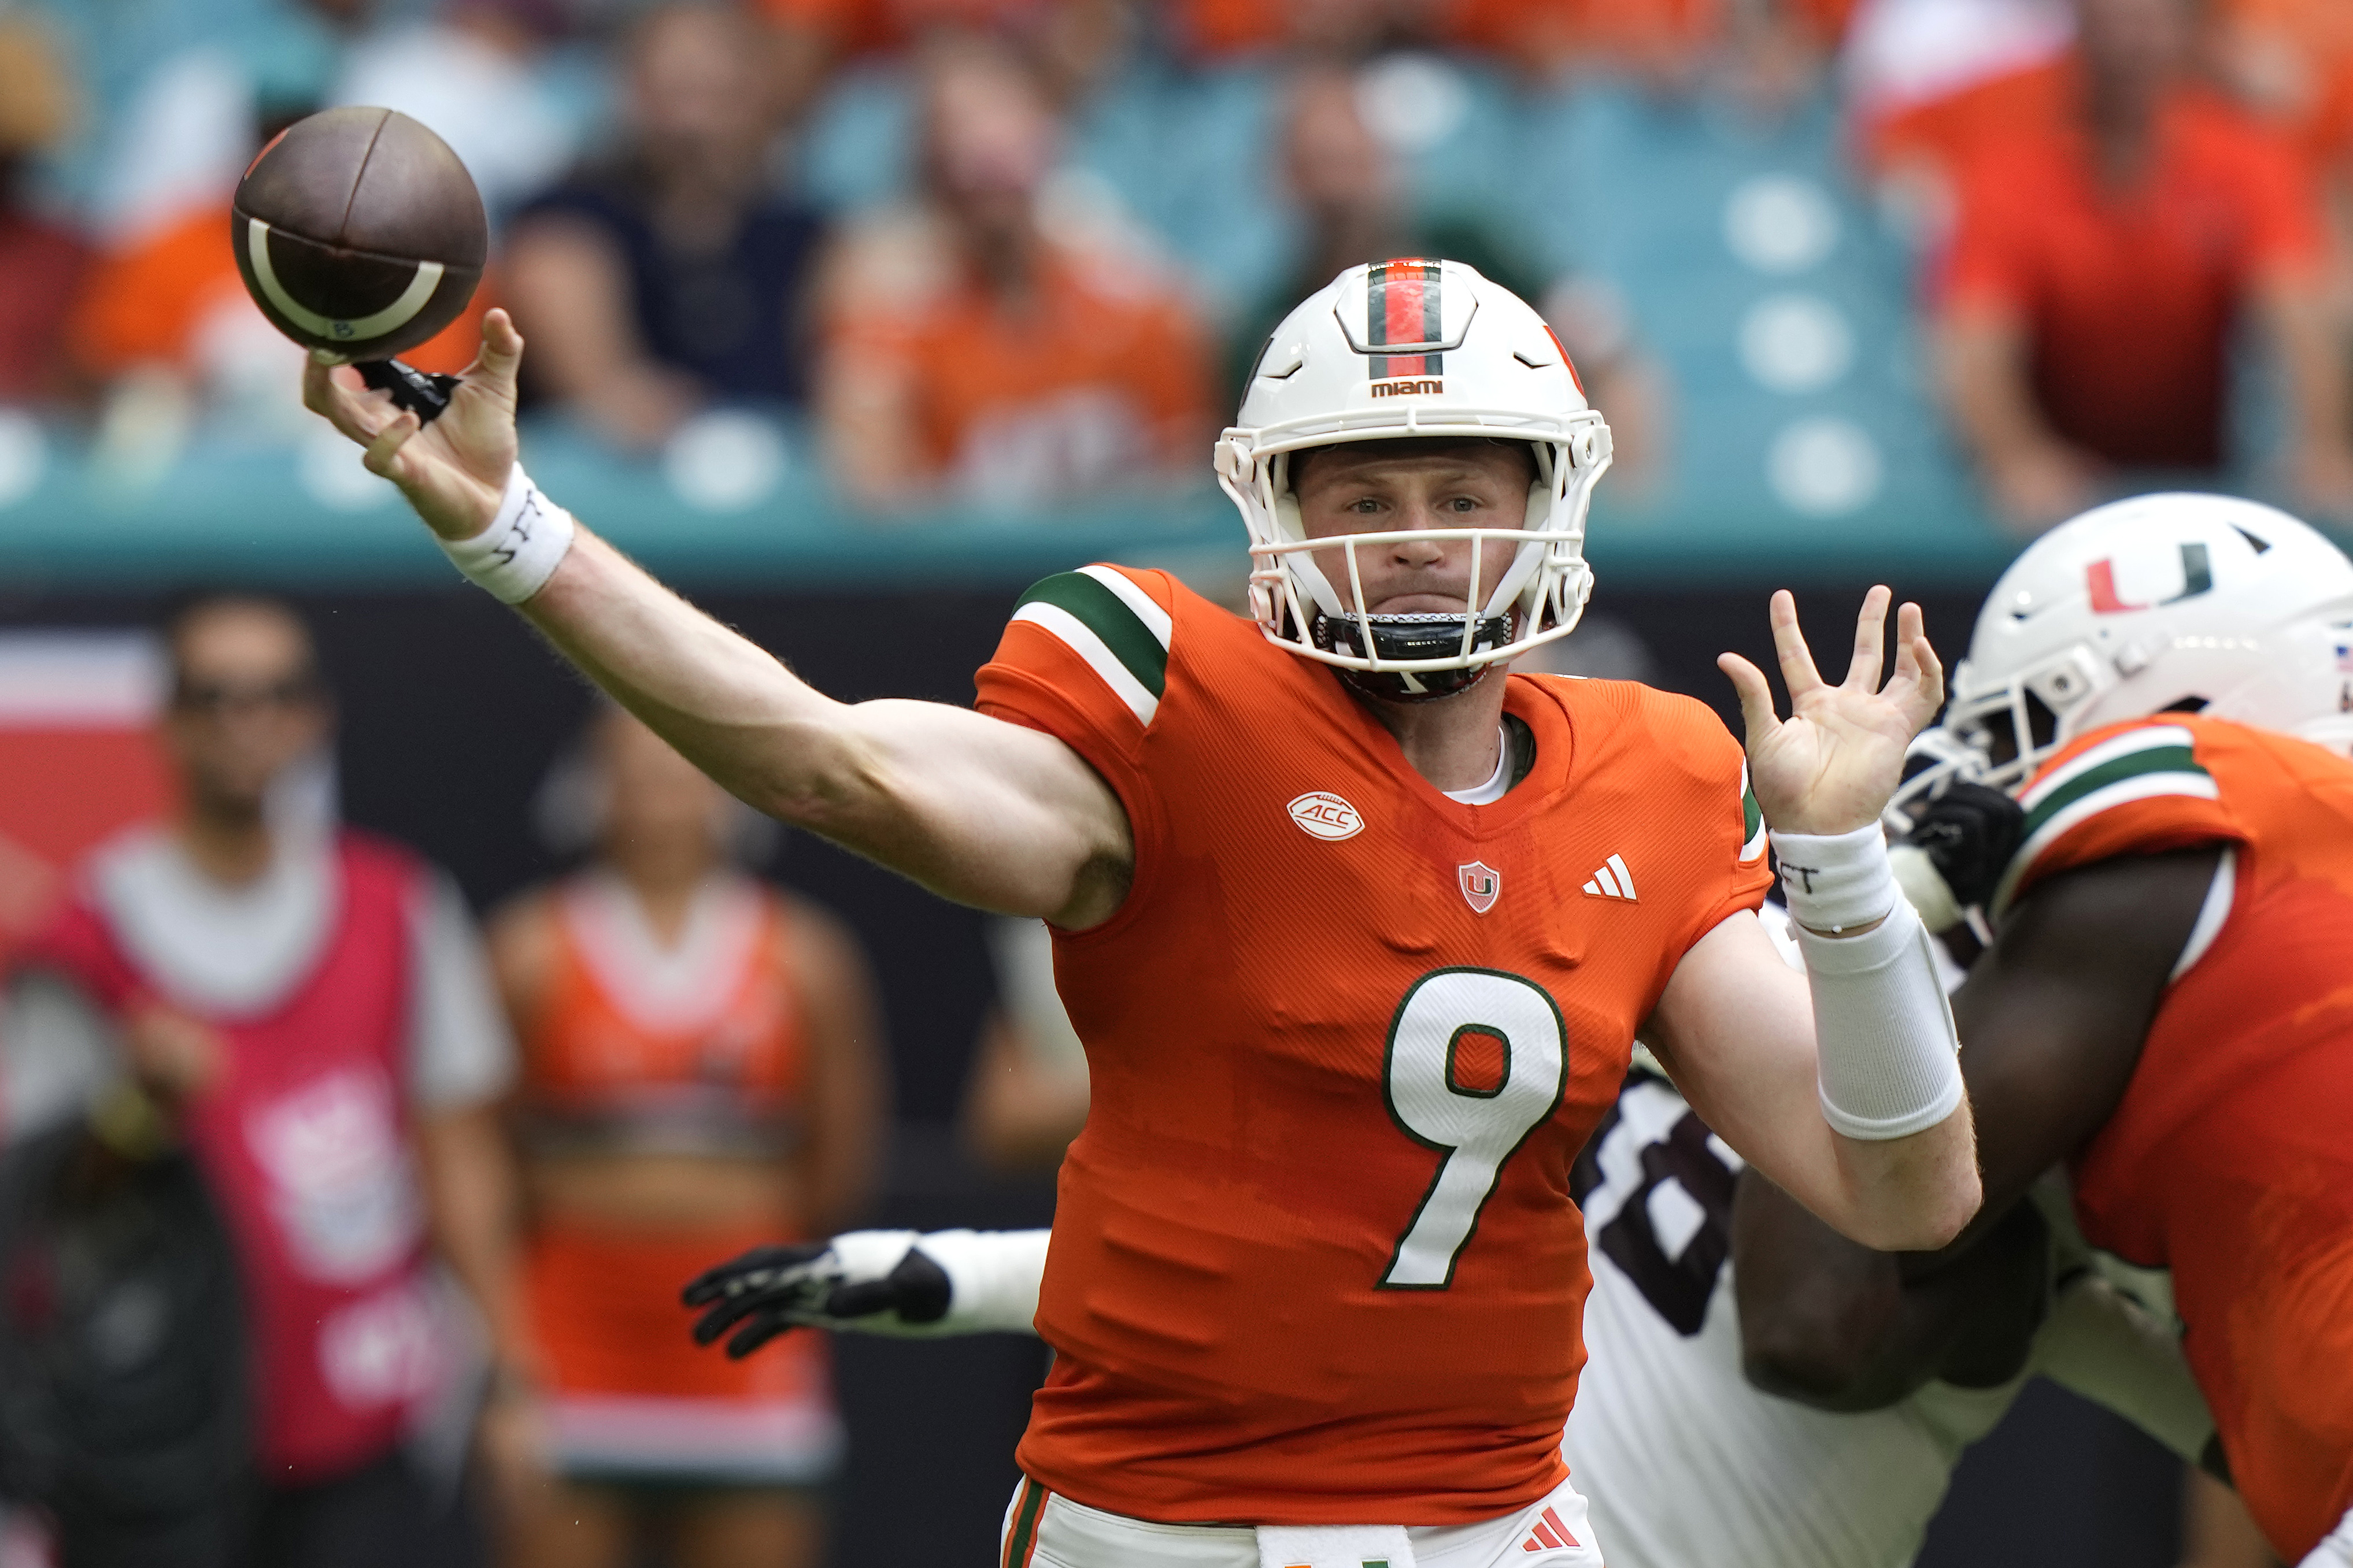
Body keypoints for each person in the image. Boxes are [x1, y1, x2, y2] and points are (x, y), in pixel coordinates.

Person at [302, 257, 1980, 1561]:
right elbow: (835, 768)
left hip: (1495, 1524)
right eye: (1363, 496)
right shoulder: (1171, 705)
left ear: (1548, 500)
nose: (1417, 545)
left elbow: (1902, 1193)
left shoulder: (1658, 771)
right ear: (1276, 510)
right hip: (1164, 1527)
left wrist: (1833, 872)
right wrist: (510, 529)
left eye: (1462, 495)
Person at [1731, 492, 2353, 1565]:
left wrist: (1865, 897)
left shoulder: (2197, 812)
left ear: (2186, 703)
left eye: (2023, 733)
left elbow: (1811, 1300)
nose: (2003, 777)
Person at [1, 594, 524, 1567]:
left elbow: (459, 1150)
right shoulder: (86, 933)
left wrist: (507, 1371)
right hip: (158, 1436)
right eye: (215, 695)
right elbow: (40, 1205)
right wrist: (136, 1107)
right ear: (166, 720)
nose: (247, 721)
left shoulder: (399, 906)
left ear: (316, 715)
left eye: (276, 693)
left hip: (366, 1414)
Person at [487, 706, 886, 1568]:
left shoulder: (806, 959)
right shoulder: (528, 952)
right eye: (632, 772)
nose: (660, 798)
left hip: (744, 1349)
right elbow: (487, 1154)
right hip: (573, 1344)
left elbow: (841, 1158)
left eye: (683, 772)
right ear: (586, 793)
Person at [1933, 0, 2353, 530]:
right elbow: (1973, 343)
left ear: (2189, 38)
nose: (2132, 44)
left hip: (2204, 459)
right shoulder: (2008, 174)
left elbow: (2299, 316)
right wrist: (2017, 458)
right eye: (2115, 21)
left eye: (2153, 22)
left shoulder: (2245, 160)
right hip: (2060, 479)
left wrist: (2321, 446)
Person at [814, 34, 1216, 509]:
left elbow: (1187, 481)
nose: (982, 148)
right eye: (954, 126)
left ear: (1049, 134)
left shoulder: (1133, 293)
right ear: (926, 160)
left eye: (998, 116)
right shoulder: (894, 313)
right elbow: (875, 497)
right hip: (962, 578)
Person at [504, 1, 825, 450]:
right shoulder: (566, 221)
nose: (693, 124)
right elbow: (604, 393)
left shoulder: (804, 235)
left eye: (719, 94)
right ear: (631, 93)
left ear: (762, 95)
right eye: (675, 92)